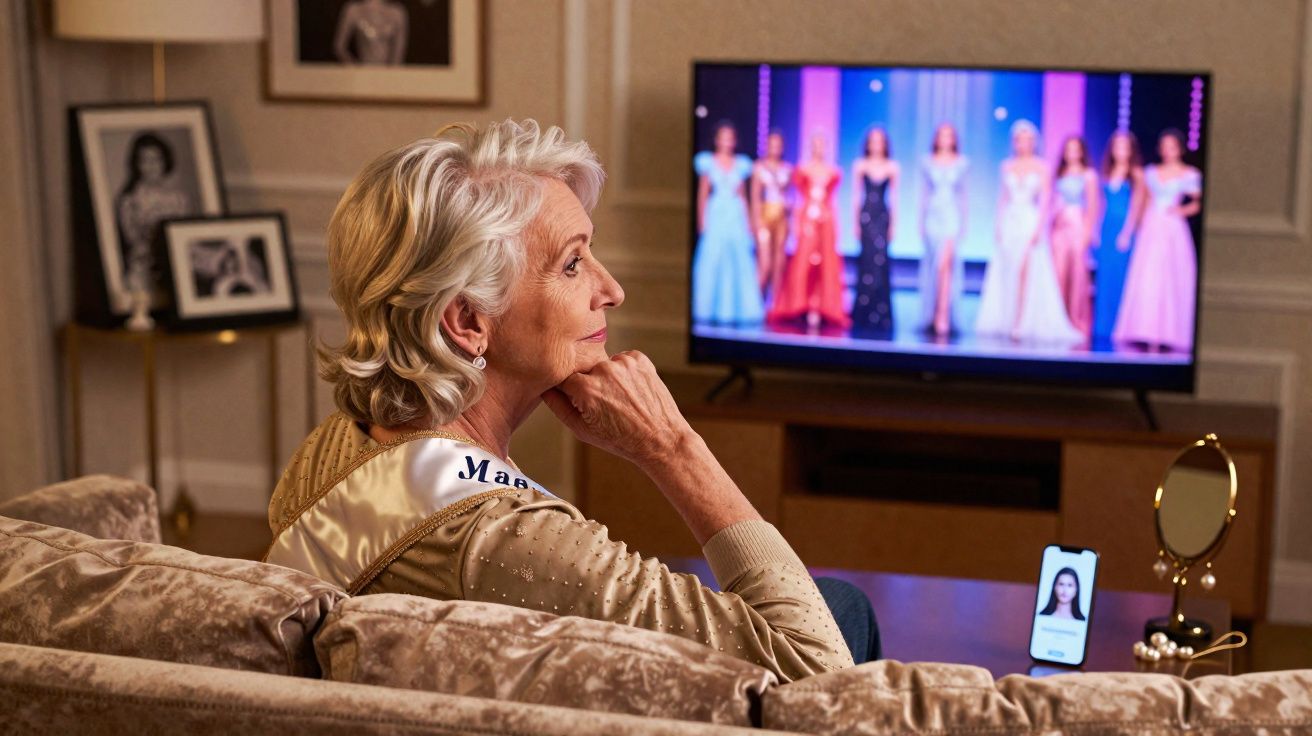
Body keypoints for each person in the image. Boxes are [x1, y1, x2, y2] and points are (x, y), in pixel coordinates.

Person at [263, 119, 877, 682]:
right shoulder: (509, 546)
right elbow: (815, 667)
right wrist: (673, 445)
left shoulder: (334, 446)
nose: (612, 289)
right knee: (840, 609)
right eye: (572, 263)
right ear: (468, 319)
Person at [978, 120, 1082, 345]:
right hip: (1010, 221)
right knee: (1008, 269)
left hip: (1029, 220)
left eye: (1027, 139)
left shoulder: (1041, 167)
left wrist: (1039, 228)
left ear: (1034, 142)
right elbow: (1003, 198)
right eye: (1019, 139)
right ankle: (1006, 318)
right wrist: (997, 224)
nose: (1023, 143)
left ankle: (1020, 321)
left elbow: (1045, 200)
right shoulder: (1006, 166)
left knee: (1027, 267)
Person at [1113, 129, 1201, 353]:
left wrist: (1180, 210)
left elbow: (1197, 203)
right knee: (1149, 277)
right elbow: (1142, 202)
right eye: (1164, 146)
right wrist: (1133, 229)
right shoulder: (1151, 172)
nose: (1167, 151)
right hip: (1152, 227)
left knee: (1171, 277)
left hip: (1172, 228)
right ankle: (1145, 330)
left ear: (1179, 149)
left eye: (1172, 146)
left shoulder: (1189, 174)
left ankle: (1169, 332)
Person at [767, 130, 850, 330]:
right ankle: (798, 304)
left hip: (826, 221)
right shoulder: (802, 170)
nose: (819, 149)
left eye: (822, 145)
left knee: (827, 263)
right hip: (807, 220)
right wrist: (798, 222)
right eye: (815, 144)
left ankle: (822, 307)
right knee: (803, 260)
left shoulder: (833, 171)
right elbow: (798, 200)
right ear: (811, 147)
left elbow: (832, 200)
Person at [692, 121, 765, 325]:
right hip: (716, 214)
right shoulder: (708, 162)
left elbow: (743, 196)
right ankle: (708, 308)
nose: (726, 141)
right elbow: (703, 195)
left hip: (735, 214)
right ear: (717, 140)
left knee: (738, 260)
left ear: (734, 141)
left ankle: (737, 310)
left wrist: (750, 221)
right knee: (713, 258)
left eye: (730, 137)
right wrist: (701, 221)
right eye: (723, 137)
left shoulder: (740, 164)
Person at [115, 131, 192, 297]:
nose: (151, 166)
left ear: (165, 162)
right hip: (143, 268)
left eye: (156, 160)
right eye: (145, 161)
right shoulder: (130, 200)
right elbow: (132, 239)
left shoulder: (178, 199)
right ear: (137, 164)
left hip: (174, 267)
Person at [1091, 131, 1147, 341]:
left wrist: (1127, 232)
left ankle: (1121, 327)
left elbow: (1136, 206)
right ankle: (1103, 326)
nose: (1120, 151)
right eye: (1116, 146)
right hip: (1107, 227)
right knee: (1105, 276)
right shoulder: (1107, 172)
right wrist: (1095, 229)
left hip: (1124, 228)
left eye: (1124, 147)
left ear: (1131, 149)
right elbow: (1100, 204)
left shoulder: (1137, 173)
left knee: (1122, 276)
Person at [918, 123, 967, 337]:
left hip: (951, 216)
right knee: (932, 266)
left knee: (945, 265)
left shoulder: (962, 163)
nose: (945, 139)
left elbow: (964, 195)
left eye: (949, 135)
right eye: (942, 135)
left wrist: (964, 223)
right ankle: (932, 312)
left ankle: (943, 314)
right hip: (933, 216)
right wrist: (920, 221)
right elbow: (925, 193)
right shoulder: (928, 162)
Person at [850, 127, 899, 337]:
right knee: (867, 262)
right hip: (866, 216)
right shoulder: (860, 165)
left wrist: (894, 224)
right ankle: (863, 312)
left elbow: (895, 198)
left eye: (880, 141)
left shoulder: (892, 166)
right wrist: (854, 223)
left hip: (882, 216)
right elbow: (856, 196)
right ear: (868, 143)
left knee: (881, 263)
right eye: (873, 140)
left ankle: (880, 312)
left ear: (885, 144)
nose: (876, 144)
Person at [1048, 136, 1099, 336]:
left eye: (1076, 149)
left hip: (1078, 225)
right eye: (1068, 149)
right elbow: (1054, 200)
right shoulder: (1060, 174)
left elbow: (1093, 206)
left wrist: (1087, 233)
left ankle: (1077, 321)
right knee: (1059, 273)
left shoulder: (1089, 175)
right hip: (1059, 226)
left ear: (1081, 152)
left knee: (1078, 275)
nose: (1072, 153)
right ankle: (1058, 321)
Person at [750, 130, 793, 304]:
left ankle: (775, 305)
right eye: (771, 144)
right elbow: (755, 196)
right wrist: (756, 221)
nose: (775, 148)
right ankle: (755, 304)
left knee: (779, 263)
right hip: (765, 216)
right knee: (765, 262)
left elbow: (789, 194)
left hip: (782, 216)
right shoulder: (759, 167)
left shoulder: (787, 168)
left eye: (778, 144)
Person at [333, 0, 409, 66]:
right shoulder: (353, 10)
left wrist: (391, 75)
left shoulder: (397, 12)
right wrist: (354, 69)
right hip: (363, 71)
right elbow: (339, 47)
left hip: (388, 75)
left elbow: (399, 52)